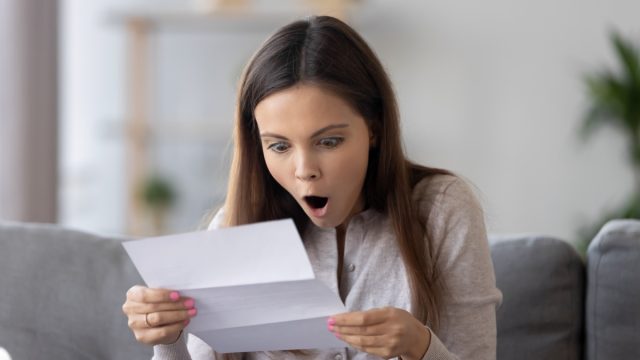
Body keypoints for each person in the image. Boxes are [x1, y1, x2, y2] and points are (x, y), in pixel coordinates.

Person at [122, 15, 502, 360]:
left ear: (373, 128)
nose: (305, 171)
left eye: (329, 142)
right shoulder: (238, 223)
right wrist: (168, 338)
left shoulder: (442, 209)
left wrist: (420, 347)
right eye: (280, 146)